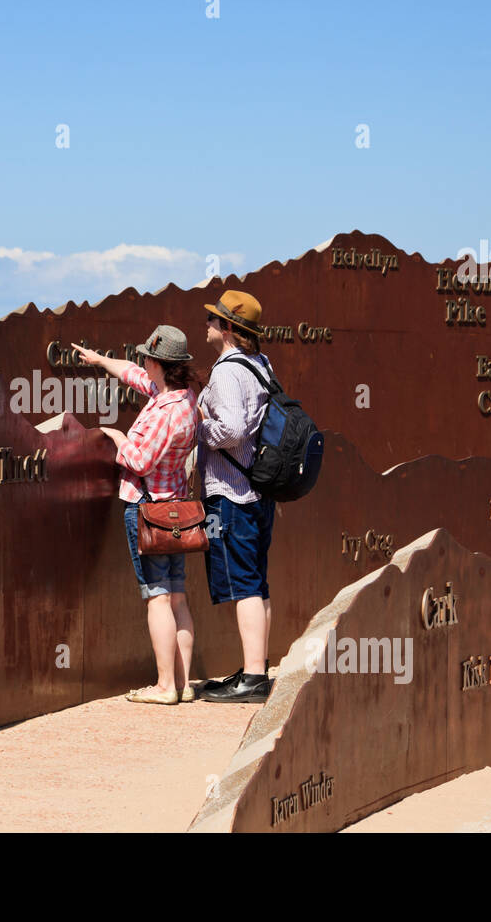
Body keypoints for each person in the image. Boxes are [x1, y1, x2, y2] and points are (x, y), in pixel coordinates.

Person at [72, 326, 199, 705]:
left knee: (157, 597)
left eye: (148, 356)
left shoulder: (167, 413)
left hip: (149, 511)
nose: (143, 361)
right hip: (176, 509)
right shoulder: (183, 398)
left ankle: (165, 687)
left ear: (158, 363)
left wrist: (117, 438)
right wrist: (99, 360)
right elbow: (133, 374)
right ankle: (184, 682)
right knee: (177, 597)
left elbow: (140, 461)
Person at [196, 290, 277, 703]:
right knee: (257, 584)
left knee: (244, 585)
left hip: (233, 493)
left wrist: (200, 428)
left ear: (228, 329)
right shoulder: (261, 365)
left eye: (213, 320)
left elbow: (230, 431)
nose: (207, 325)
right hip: (260, 493)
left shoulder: (227, 372)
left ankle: (254, 678)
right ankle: (254, 670)